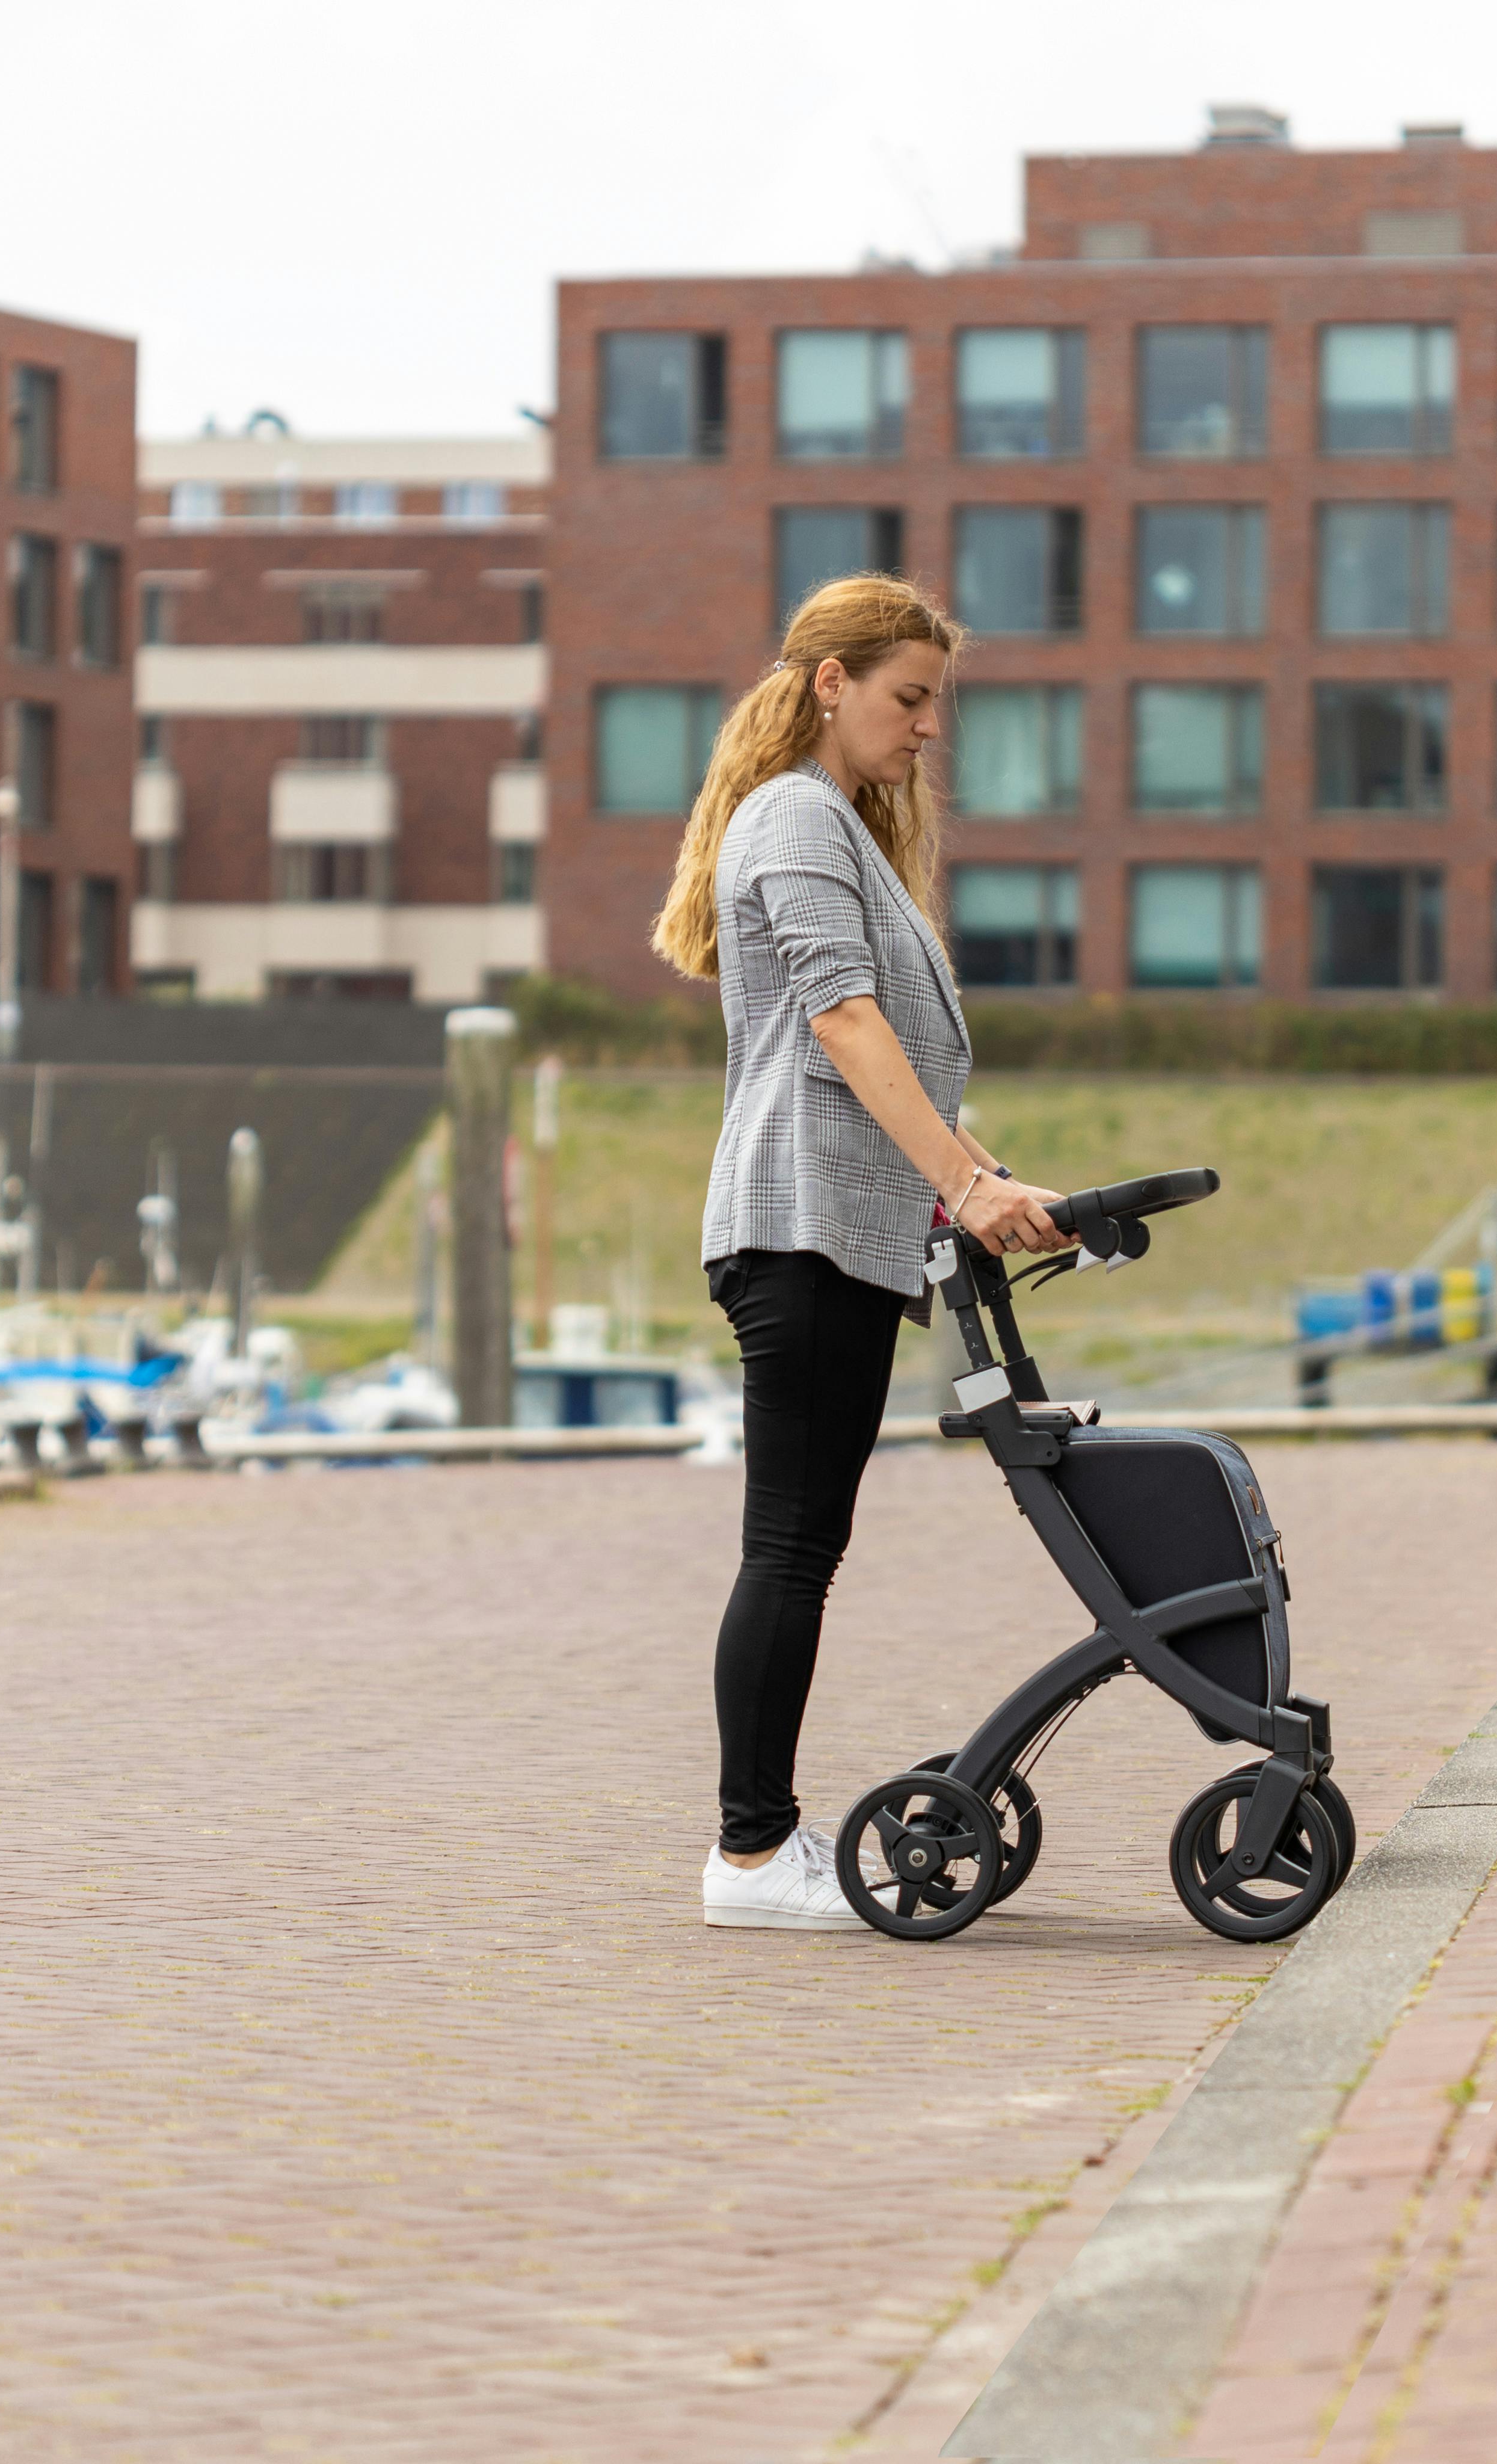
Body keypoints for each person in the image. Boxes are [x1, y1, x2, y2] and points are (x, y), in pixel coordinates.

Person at [654, 573, 1077, 1930]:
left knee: (802, 1546)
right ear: (830, 682)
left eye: (933, 702)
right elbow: (841, 1026)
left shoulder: (834, 825)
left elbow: (897, 1057)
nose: (925, 727)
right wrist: (960, 1181)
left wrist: (991, 1177)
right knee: (788, 1547)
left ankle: (760, 1843)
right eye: (908, 697)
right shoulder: (793, 818)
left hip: (839, 1228)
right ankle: (751, 1853)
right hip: (800, 1225)